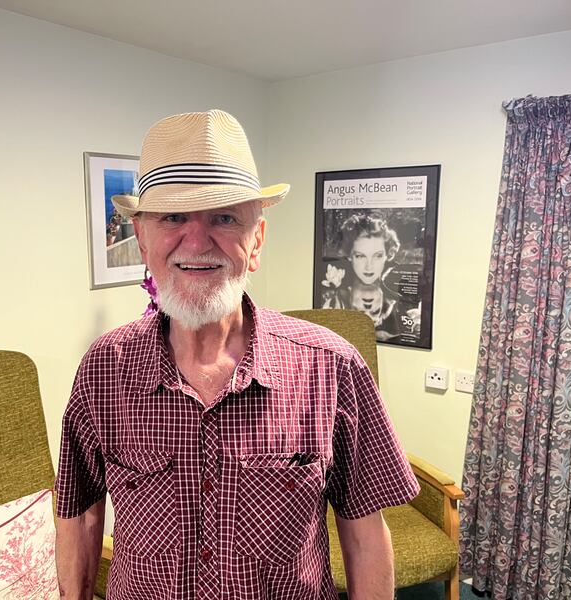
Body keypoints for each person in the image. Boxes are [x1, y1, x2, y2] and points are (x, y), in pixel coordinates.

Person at [55, 109, 419, 600]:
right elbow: (80, 515)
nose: (197, 241)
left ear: (256, 241)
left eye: (224, 218)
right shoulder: (104, 367)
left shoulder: (331, 366)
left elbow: (365, 535)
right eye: (173, 218)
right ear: (141, 238)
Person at [322, 213, 419, 341]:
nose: (369, 266)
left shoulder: (402, 287)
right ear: (349, 255)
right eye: (360, 256)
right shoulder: (330, 283)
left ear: (388, 255)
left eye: (378, 256)